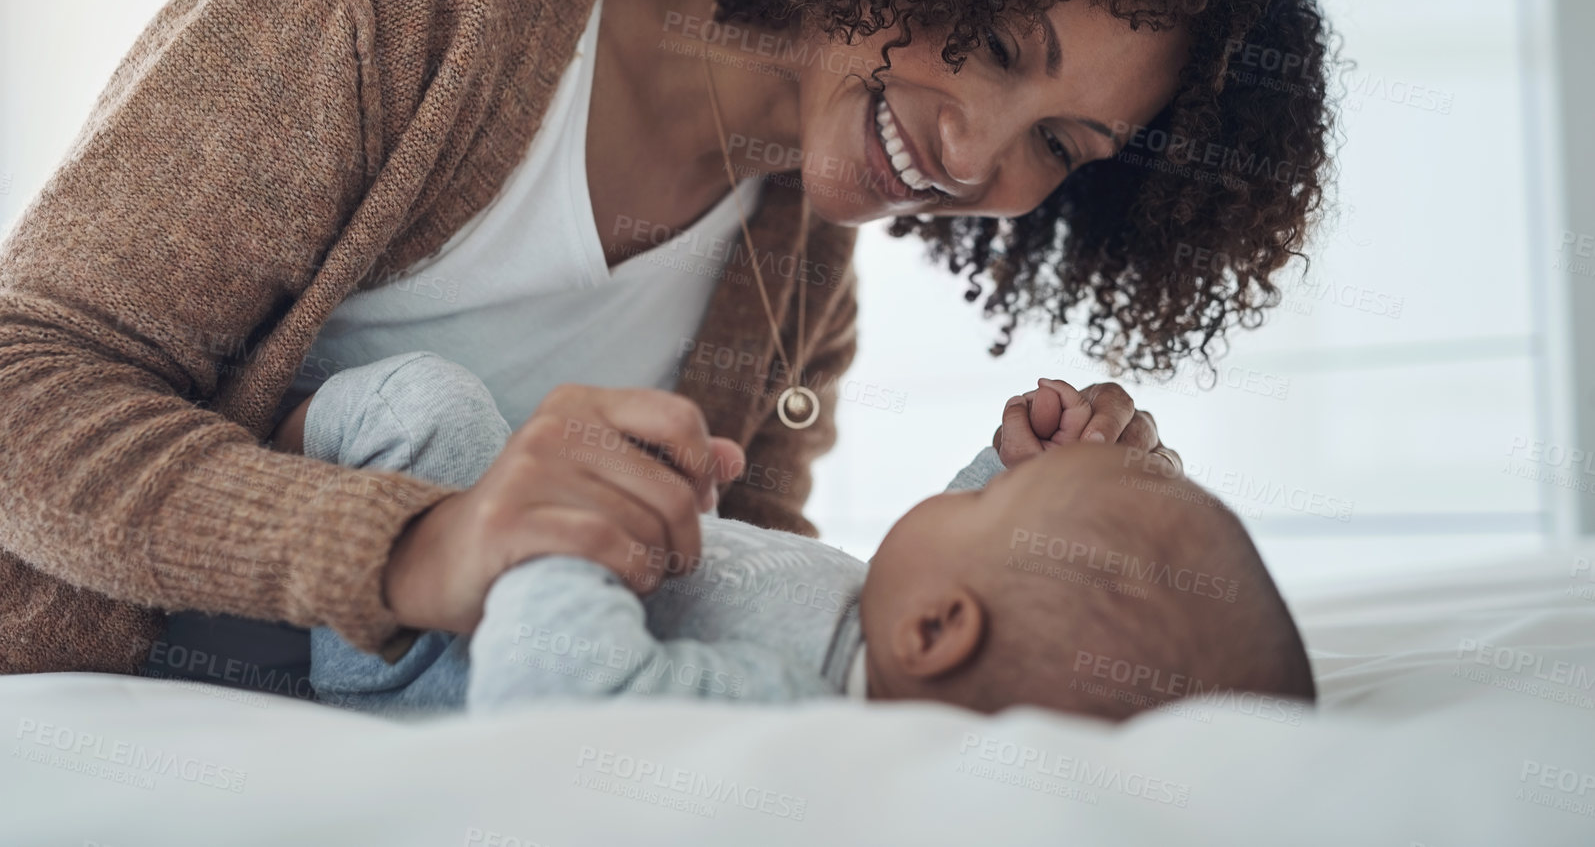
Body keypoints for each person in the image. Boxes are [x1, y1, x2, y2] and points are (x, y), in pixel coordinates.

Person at [0, 0, 1333, 681]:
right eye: (999, 42)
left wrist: (1013, 534)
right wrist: (421, 546)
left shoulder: (797, 275)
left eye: (1059, 150)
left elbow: (704, 584)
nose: (976, 157)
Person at [290, 351, 1314, 720]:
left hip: (421, 655)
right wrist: (1015, 476)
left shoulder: (793, 712)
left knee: (432, 403)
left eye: (974, 503)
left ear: (939, 630)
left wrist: (575, 531)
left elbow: (561, 703)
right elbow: (929, 570)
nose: (956, 493)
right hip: (498, 582)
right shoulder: (885, 636)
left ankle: (253, 429)